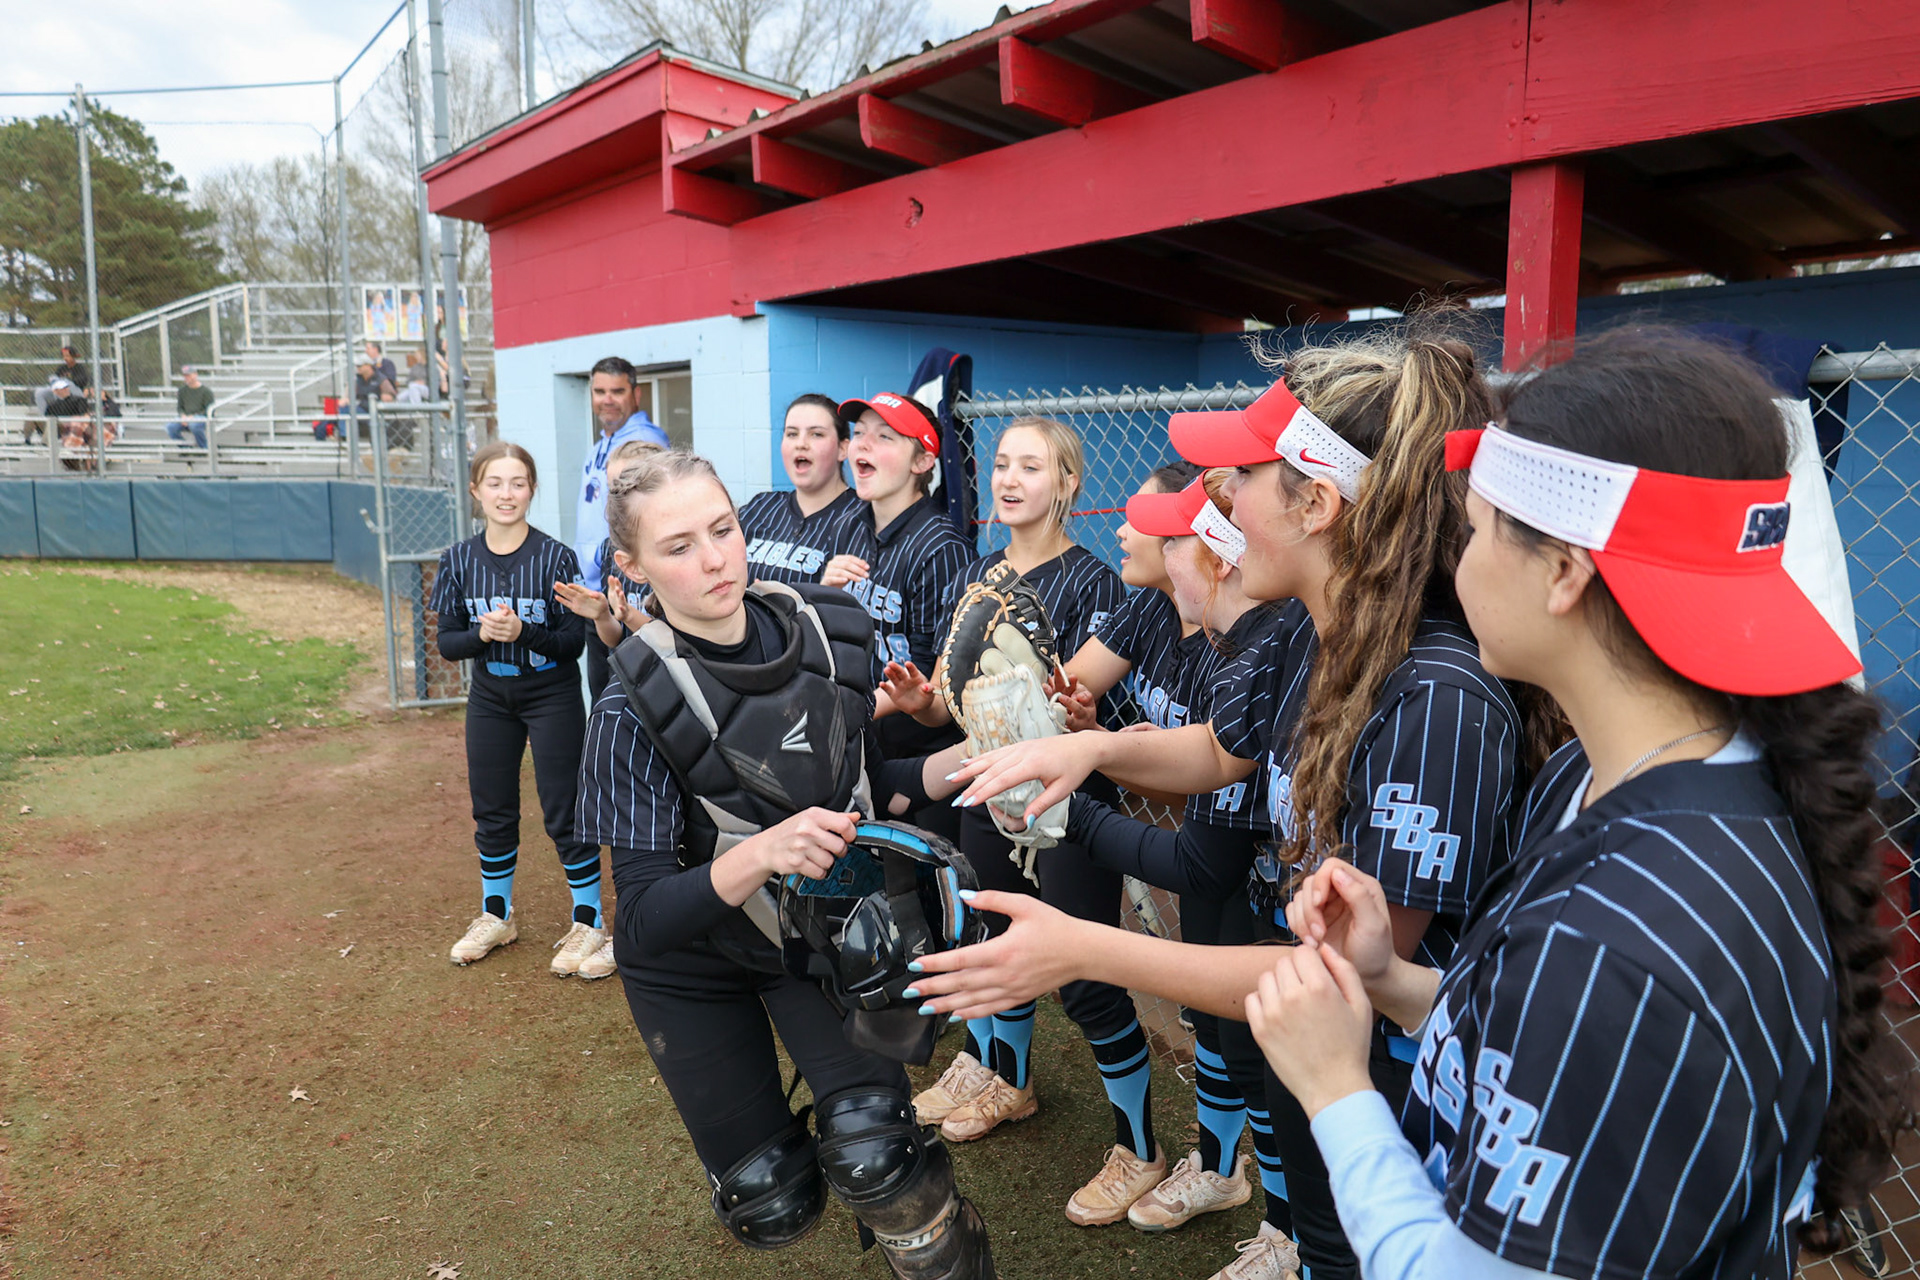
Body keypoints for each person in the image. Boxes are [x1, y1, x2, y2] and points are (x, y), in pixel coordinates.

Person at [1238, 330, 1901, 1280]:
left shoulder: (1618, 935)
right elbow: (1532, 1059)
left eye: (1475, 529)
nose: (1454, 563)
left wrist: (1338, 1089)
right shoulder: (1613, 777)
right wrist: (1391, 982)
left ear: (1565, 574)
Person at [922, 331, 1558, 1278]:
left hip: (1395, 1095)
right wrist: (1087, 744)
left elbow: (1343, 977)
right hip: (1323, 1069)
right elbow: (1224, 752)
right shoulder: (1313, 628)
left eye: (1242, 477)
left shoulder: (1436, 699)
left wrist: (1081, 945)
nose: (1219, 501)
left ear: (1318, 502)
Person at [575, 449, 994, 1278]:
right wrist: (763, 849)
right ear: (630, 567)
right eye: (678, 546)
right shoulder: (628, 708)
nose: (714, 560)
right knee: (771, 1196)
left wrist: (981, 758)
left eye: (723, 530)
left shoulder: (832, 632)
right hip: (691, 961)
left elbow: (876, 786)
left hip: (808, 936)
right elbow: (648, 919)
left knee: (877, 1156)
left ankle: (954, 1256)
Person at [886, 417, 1155, 1229]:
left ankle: (1138, 1146)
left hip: (1068, 805)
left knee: (1084, 979)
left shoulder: (1098, 584)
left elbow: (1080, 711)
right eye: (1001, 463)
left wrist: (1076, 715)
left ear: (1068, 483)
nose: (1009, 479)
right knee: (994, 942)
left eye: (1030, 467)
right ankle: (1009, 1080)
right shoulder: (981, 570)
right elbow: (957, 699)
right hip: (985, 791)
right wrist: (919, 703)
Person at [1065, 470, 1306, 1246]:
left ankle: (1286, 1229)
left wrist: (1077, 813)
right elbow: (1201, 776)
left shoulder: (1252, 652)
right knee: (1217, 1031)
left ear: (1219, 555)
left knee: (1256, 1055)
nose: (1155, 548)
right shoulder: (1222, 634)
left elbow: (1209, 859)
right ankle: (1217, 1165)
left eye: (1174, 537)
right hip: (1247, 883)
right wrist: (1115, 751)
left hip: (1269, 895)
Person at [428, 442, 611, 980]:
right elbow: (448, 644)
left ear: (531, 489)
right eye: (495, 483)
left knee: (563, 808)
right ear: (475, 491)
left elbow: (571, 643)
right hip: (490, 697)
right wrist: (483, 633)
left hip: (550, 694)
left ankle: (588, 920)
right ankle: (497, 915)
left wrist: (523, 631)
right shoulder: (458, 559)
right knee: (492, 806)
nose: (506, 494)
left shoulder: (555, 556)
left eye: (517, 483)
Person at [820, 391, 972, 823]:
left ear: (922, 462)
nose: (862, 444)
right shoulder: (851, 523)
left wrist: (848, 709)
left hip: (923, 756)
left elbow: (930, 675)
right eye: (859, 433)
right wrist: (823, 592)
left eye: (884, 436)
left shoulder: (940, 547)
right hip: (862, 735)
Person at [573, 356, 669, 689]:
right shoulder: (603, 444)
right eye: (599, 391)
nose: (607, 399)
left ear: (636, 394)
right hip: (602, 587)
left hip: (632, 590)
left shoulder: (642, 442)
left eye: (617, 391)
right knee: (604, 695)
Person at [561, 437, 664, 703]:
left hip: (666, 684)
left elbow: (677, 640)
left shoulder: (676, 548)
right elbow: (616, 639)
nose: (615, 497)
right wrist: (603, 616)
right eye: (611, 488)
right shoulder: (612, 548)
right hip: (626, 681)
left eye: (625, 485)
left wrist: (629, 615)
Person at [740, 392, 863, 586]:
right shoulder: (761, 508)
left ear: (842, 449)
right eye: (792, 434)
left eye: (816, 434)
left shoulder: (862, 519)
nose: (801, 444)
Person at [166, 366, 215, 449]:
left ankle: (205, 448)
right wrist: (183, 416)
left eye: (189, 375)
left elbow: (209, 411)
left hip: (201, 418)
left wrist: (192, 417)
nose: (186, 378)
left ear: (195, 375)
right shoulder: (182, 391)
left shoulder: (206, 391)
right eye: (185, 376)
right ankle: (185, 448)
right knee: (170, 427)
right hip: (186, 417)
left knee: (194, 425)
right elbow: (180, 407)